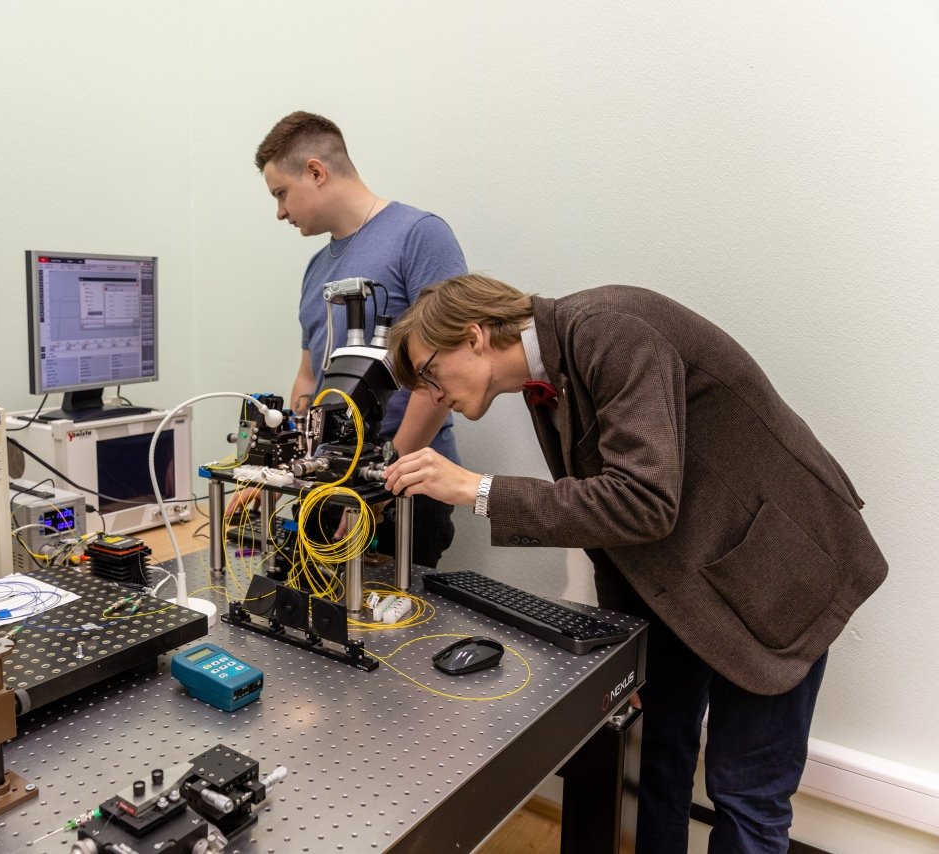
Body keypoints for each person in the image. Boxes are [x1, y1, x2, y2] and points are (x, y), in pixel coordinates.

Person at [382, 274, 887, 854]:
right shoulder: (549, 379)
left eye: (428, 372)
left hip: (775, 570)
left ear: (473, 336)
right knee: (652, 764)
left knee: (747, 796)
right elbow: (603, 517)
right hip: (682, 579)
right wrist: (627, 649)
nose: (431, 393)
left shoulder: (610, 330)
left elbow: (643, 501)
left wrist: (481, 490)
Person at [251, 110, 469, 567]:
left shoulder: (419, 236)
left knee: (392, 625)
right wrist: (273, 468)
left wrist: (380, 487)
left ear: (316, 171)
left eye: (281, 194)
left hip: (405, 484)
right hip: (330, 482)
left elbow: (446, 373)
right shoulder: (316, 268)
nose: (280, 213)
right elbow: (310, 374)